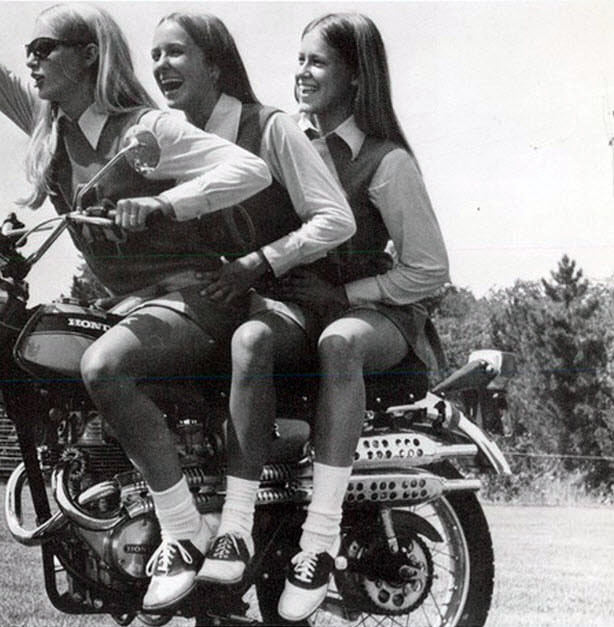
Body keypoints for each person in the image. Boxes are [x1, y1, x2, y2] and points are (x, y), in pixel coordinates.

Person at [0, 2, 272, 612]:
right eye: (30, 50)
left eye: (47, 47)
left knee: (103, 367)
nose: (32, 58)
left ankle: (183, 533)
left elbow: (250, 170)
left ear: (90, 53)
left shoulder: (146, 131)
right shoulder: (52, 128)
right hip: (130, 305)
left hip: (194, 294)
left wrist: (168, 205)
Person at [146, 12, 355, 587]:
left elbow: (336, 219)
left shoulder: (270, 127)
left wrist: (260, 262)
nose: (162, 66)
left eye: (176, 53)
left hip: (290, 301)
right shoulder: (164, 141)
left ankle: (235, 526)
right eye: (155, 54)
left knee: (252, 339)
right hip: (221, 300)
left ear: (216, 64)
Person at [273, 13, 450, 621]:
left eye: (317, 62)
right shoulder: (284, 143)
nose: (302, 72)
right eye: (298, 60)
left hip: (378, 316)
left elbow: (428, 271)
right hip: (302, 309)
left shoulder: (386, 160)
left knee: (339, 344)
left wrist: (345, 297)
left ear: (355, 77)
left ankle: (319, 538)